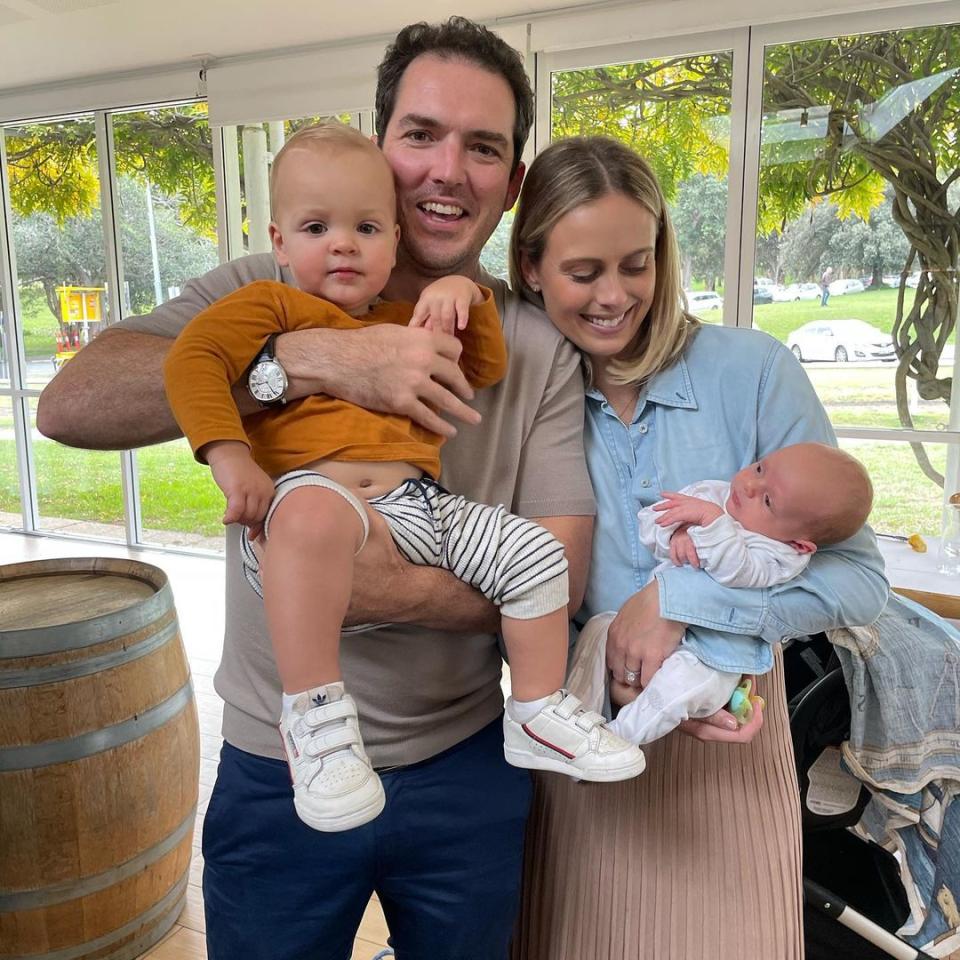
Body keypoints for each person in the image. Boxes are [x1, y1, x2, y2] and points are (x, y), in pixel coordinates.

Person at [36, 18, 599, 960]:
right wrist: (304, 361)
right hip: (273, 764)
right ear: (383, 142)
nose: (446, 170)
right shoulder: (268, 282)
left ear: (511, 180)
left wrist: (356, 582)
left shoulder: (533, 346)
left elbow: (562, 576)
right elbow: (70, 402)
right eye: (421, 134)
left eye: (484, 147)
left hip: (465, 768)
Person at [164, 123, 642, 833]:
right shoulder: (268, 306)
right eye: (316, 227)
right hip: (315, 498)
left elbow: (481, 367)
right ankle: (317, 723)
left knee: (535, 557)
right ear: (279, 240)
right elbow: (190, 362)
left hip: (417, 505)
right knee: (310, 520)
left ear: (394, 237)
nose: (342, 245)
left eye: (364, 227)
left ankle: (538, 710)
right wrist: (227, 452)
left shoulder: (402, 318)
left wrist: (462, 296)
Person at [507, 136, 888, 959]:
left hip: (727, 753)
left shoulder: (752, 371)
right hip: (580, 739)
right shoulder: (520, 395)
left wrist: (679, 604)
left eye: (636, 264)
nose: (616, 296)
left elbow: (862, 581)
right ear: (531, 267)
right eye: (584, 272)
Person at [586, 441, 873, 746]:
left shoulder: (781, 553)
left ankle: (615, 742)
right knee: (598, 633)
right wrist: (676, 531)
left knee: (679, 686)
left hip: (713, 657)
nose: (749, 485)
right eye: (760, 467)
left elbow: (737, 572)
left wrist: (710, 523)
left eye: (767, 501)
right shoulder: (715, 494)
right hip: (647, 635)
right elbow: (651, 522)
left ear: (801, 544)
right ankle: (580, 723)